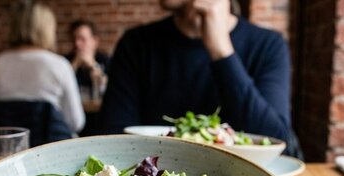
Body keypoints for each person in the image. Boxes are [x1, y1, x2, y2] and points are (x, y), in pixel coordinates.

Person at [99, 0, 290, 142]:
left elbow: (275, 139)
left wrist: (222, 51)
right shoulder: (136, 43)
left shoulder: (268, 45)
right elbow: (113, 136)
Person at [0, 0, 84, 133]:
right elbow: (76, 122)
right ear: (47, 29)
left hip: (8, 148)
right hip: (49, 147)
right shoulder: (59, 65)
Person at [66, 19, 109, 99]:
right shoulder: (65, 62)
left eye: (82, 39)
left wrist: (94, 65)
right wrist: (74, 65)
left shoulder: (106, 61)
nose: (77, 44)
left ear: (95, 41)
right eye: (74, 39)